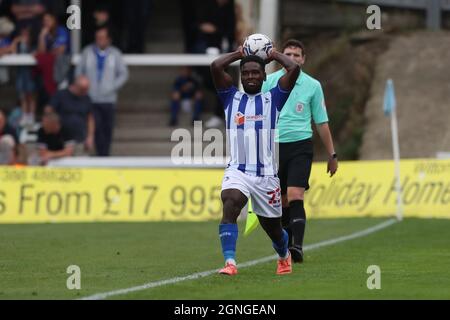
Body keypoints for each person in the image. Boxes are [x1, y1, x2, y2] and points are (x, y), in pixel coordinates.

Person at [210, 46, 300, 275]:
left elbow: (293, 68)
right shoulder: (230, 97)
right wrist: (239, 53)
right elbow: (215, 66)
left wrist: (273, 55)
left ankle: (283, 254)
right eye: (246, 73)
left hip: (266, 175)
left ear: (264, 76)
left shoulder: (275, 98)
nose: (251, 76)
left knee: (274, 230)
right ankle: (230, 262)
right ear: (241, 76)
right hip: (237, 170)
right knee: (230, 202)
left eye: (255, 72)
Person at [262, 39, 338, 263]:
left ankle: (298, 246)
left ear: (303, 59)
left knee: (296, 195)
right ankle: (287, 245)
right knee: (282, 201)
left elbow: (321, 122)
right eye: (288, 54)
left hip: (300, 146)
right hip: (273, 147)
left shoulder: (313, 86)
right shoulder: (270, 82)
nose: (292, 58)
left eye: (297, 55)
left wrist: (332, 155)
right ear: (280, 56)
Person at [75, 26, 129, 156]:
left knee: (107, 128)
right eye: (98, 38)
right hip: (91, 98)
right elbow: (78, 71)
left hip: (108, 99)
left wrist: (111, 86)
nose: (99, 40)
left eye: (102, 38)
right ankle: (100, 154)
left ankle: (105, 154)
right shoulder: (87, 52)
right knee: (96, 127)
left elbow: (123, 74)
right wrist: (83, 84)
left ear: (109, 39)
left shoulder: (115, 54)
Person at [44, 75, 94, 156]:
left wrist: (90, 137)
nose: (85, 92)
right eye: (83, 89)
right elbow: (48, 110)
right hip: (62, 141)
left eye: (87, 89)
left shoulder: (86, 98)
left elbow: (90, 118)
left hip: (80, 141)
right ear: (76, 86)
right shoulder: (61, 95)